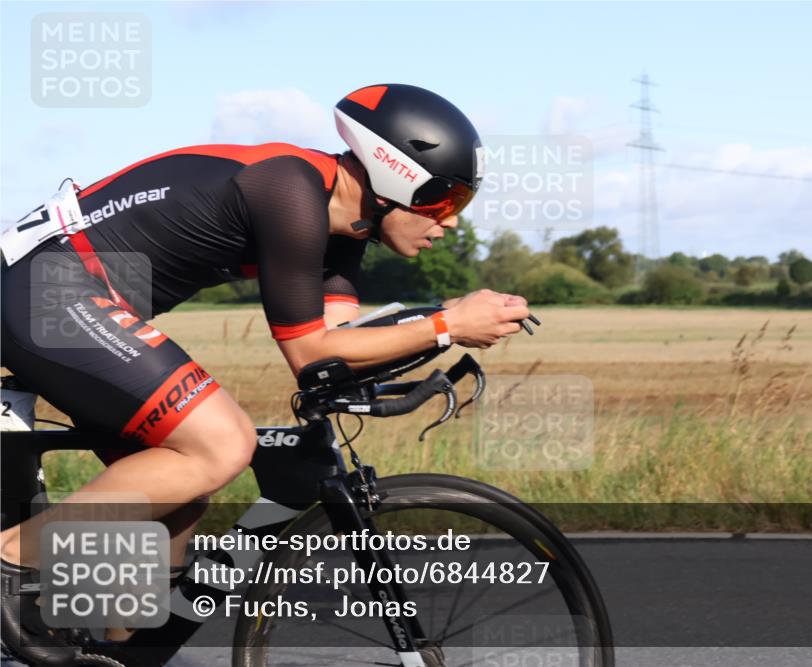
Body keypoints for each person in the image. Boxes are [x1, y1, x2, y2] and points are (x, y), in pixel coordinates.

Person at [0, 84, 530, 664]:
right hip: (50, 291)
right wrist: (448, 325)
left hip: (62, 296)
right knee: (221, 445)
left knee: (181, 495)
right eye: (443, 203)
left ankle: (119, 653)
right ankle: (11, 558)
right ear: (396, 176)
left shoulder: (342, 236)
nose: (449, 224)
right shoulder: (289, 190)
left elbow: (334, 358)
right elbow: (307, 351)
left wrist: (433, 342)